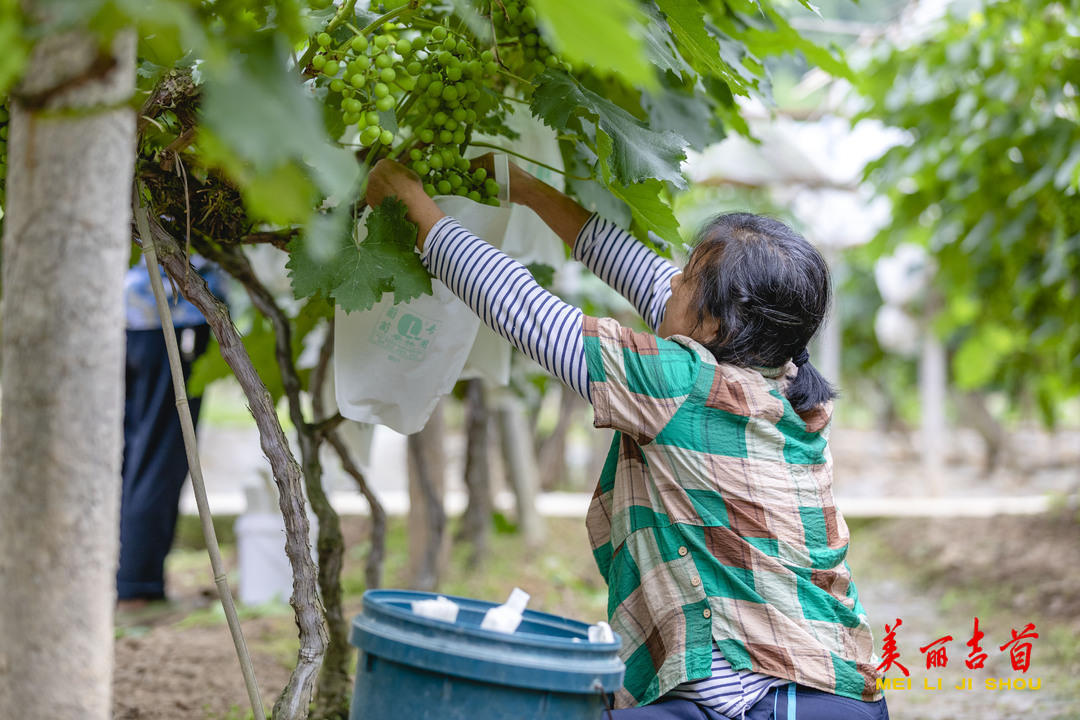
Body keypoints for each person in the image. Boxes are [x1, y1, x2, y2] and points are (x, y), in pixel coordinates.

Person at [365, 156, 888, 720]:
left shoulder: (682, 383)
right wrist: (528, 189)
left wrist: (415, 207)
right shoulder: (776, 377)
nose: (671, 281)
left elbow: (525, 311)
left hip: (773, 703)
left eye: (687, 277)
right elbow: (644, 274)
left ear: (716, 325)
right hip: (833, 689)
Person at [117, 255, 226, 611]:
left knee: (131, 451)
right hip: (173, 316)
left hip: (127, 314)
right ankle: (137, 587)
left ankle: (121, 580)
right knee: (159, 455)